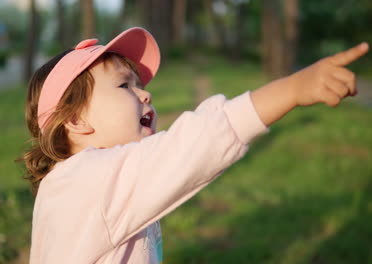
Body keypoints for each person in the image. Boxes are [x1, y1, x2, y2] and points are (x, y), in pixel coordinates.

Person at [21, 27, 369, 263]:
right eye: (123, 86)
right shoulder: (91, 180)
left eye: (138, 83)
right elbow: (196, 144)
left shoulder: (72, 183)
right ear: (76, 121)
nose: (145, 93)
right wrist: (291, 90)